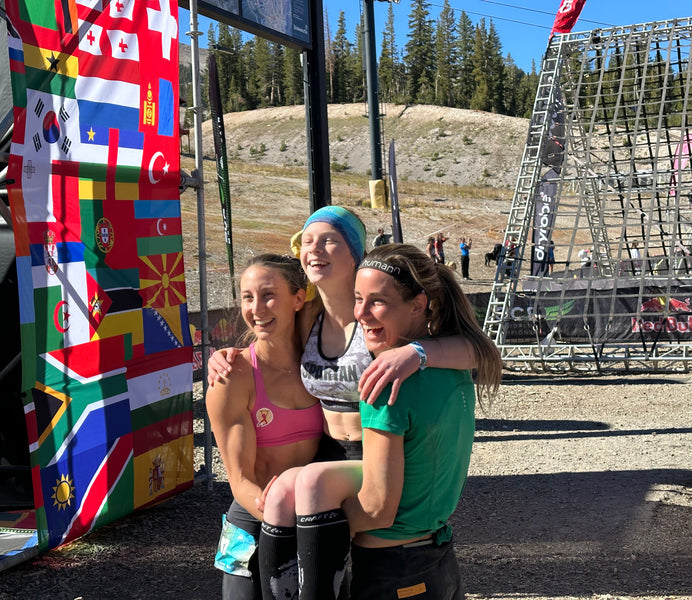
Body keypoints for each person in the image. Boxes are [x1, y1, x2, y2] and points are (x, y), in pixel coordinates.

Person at [207, 206, 475, 600]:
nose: (315, 249)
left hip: (370, 453)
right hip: (308, 471)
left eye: (329, 239)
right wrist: (228, 354)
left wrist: (416, 352)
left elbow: (475, 352)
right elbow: (268, 336)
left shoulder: (381, 319)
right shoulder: (309, 317)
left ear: (355, 252)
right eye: (307, 240)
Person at [289, 243, 502, 599]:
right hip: (438, 560)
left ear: (418, 304)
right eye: (358, 298)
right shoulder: (451, 366)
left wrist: (312, 531)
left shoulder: (386, 380)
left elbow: (376, 509)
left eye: (377, 301)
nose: (361, 313)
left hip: (389, 570)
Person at [208, 254, 324, 599]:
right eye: (247, 297)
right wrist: (281, 516)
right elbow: (240, 480)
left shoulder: (324, 364)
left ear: (299, 298)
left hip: (313, 520)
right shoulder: (232, 376)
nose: (256, 308)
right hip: (253, 521)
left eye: (268, 295)